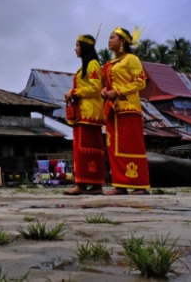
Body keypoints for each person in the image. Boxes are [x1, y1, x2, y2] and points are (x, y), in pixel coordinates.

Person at [101, 27, 150, 195]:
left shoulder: (132, 59)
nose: (109, 40)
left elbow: (141, 83)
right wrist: (105, 91)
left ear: (122, 41)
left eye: (112, 37)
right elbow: (109, 85)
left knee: (131, 146)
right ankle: (120, 184)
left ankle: (139, 185)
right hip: (113, 110)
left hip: (129, 108)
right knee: (113, 147)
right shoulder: (109, 64)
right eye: (109, 37)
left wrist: (119, 91)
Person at [63, 34, 106, 195]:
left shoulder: (93, 65)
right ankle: (92, 184)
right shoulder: (84, 67)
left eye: (77, 45)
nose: (75, 49)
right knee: (85, 148)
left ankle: (85, 184)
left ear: (84, 47)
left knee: (85, 149)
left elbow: (95, 87)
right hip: (83, 112)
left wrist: (75, 91)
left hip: (89, 113)